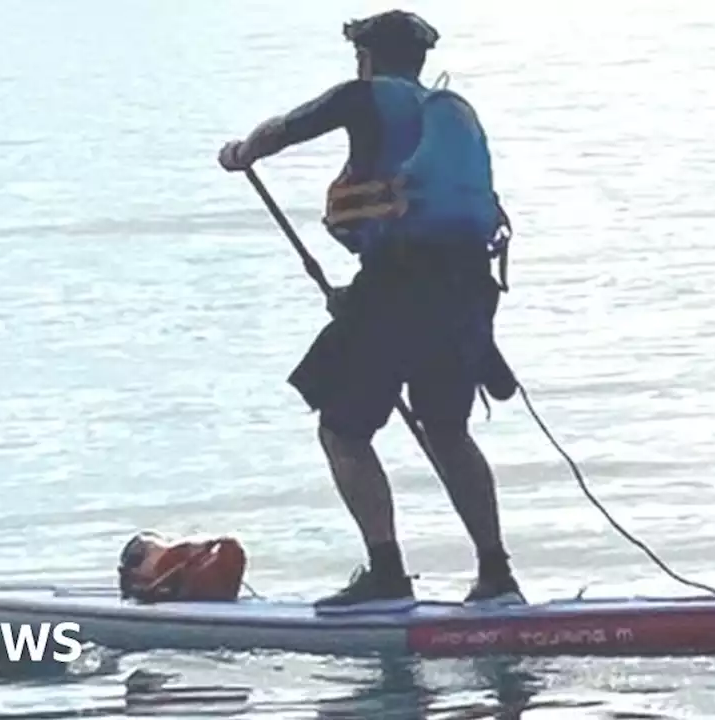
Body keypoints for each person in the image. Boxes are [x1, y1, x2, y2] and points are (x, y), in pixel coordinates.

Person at [216, 10, 525, 610]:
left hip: (397, 289)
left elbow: (287, 128)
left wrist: (240, 152)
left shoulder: (363, 97)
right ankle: (497, 576)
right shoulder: (447, 116)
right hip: (464, 293)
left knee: (342, 430)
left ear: (366, 57)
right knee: (447, 429)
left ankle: (386, 575)